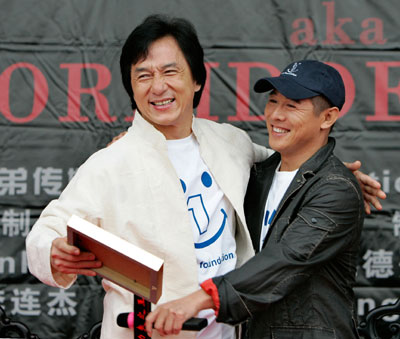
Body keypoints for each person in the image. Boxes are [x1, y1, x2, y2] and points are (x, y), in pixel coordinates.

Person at [26, 15, 383, 339]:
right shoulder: (110, 163)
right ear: (131, 88)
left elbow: (289, 165)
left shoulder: (229, 142)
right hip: (148, 332)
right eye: (144, 75)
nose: (158, 87)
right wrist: (53, 252)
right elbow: (50, 227)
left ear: (196, 80)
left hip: (232, 332)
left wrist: (341, 175)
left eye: (170, 72)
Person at [145, 60, 369, 339]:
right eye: (273, 102)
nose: (276, 115)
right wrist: (133, 144)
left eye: (292, 105)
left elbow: (287, 258)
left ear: (327, 118)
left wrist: (198, 299)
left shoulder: (337, 189)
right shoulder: (256, 175)